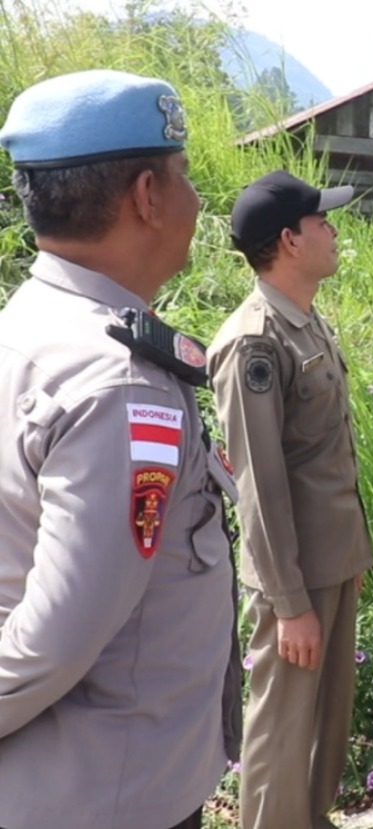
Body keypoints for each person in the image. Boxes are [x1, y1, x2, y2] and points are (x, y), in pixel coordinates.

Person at [0, 69, 239, 829]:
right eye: (185, 176)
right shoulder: (117, 386)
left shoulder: (29, 322)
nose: (197, 200)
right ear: (147, 196)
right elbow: (57, 640)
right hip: (110, 793)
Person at [208, 171, 373, 829]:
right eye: (322, 222)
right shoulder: (255, 339)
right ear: (289, 240)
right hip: (295, 578)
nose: (333, 231)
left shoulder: (304, 322)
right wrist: (291, 601)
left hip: (328, 560)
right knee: (283, 726)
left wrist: (348, 556)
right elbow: (261, 486)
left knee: (324, 722)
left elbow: (327, 456)